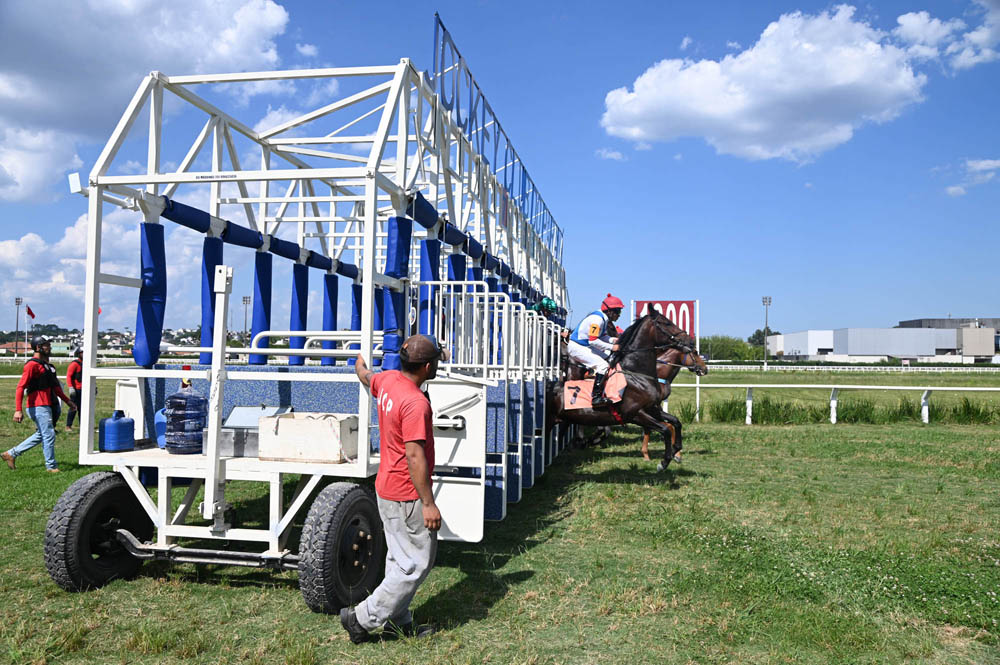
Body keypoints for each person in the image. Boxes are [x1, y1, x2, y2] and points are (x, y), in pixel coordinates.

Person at [342, 334, 448, 643]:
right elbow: (414, 456)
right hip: (407, 494)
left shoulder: (388, 380)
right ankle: (361, 618)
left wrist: (359, 364)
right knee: (415, 564)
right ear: (427, 367)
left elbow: (366, 376)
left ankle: (398, 620)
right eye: (436, 362)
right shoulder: (415, 403)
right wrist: (428, 503)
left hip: (386, 487)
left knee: (399, 559)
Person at [2, 336, 77, 473]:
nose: (49, 347)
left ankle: (11, 454)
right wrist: (18, 410)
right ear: (38, 347)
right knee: (49, 434)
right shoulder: (31, 365)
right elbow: (20, 387)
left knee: (42, 435)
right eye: (46, 345)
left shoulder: (49, 367)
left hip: (49, 404)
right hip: (38, 405)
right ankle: (51, 466)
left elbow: (56, 388)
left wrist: (68, 401)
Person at [567, 293, 624, 408]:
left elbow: (602, 337)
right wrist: (613, 347)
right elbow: (593, 341)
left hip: (585, 345)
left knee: (609, 359)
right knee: (602, 366)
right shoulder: (597, 320)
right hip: (578, 347)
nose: (619, 315)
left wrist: (613, 340)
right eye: (617, 311)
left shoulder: (603, 318)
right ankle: (596, 397)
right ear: (609, 311)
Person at [65, 347, 83, 432]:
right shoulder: (75, 364)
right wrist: (71, 387)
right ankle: (68, 426)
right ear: (78, 354)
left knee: (83, 409)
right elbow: (69, 376)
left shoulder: (86, 364)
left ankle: (82, 426)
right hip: (76, 390)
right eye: (82, 353)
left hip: (84, 389)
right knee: (74, 407)